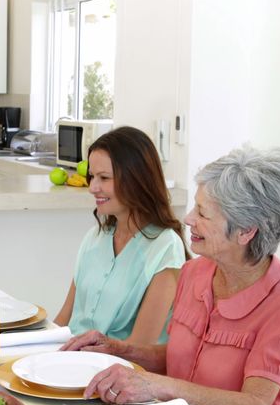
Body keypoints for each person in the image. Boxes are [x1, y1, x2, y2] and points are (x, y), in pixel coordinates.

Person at [62, 145, 280, 405]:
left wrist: (156, 386)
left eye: (203, 213)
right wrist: (118, 349)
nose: (188, 219)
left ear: (246, 232)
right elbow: (180, 356)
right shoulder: (196, 273)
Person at [53, 127, 188, 345]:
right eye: (92, 177)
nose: (92, 188)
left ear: (136, 180)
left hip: (114, 371)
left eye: (104, 178)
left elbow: (139, 347)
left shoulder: (165, 246)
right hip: (71, 362)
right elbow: (64, 321)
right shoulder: (94, 237)